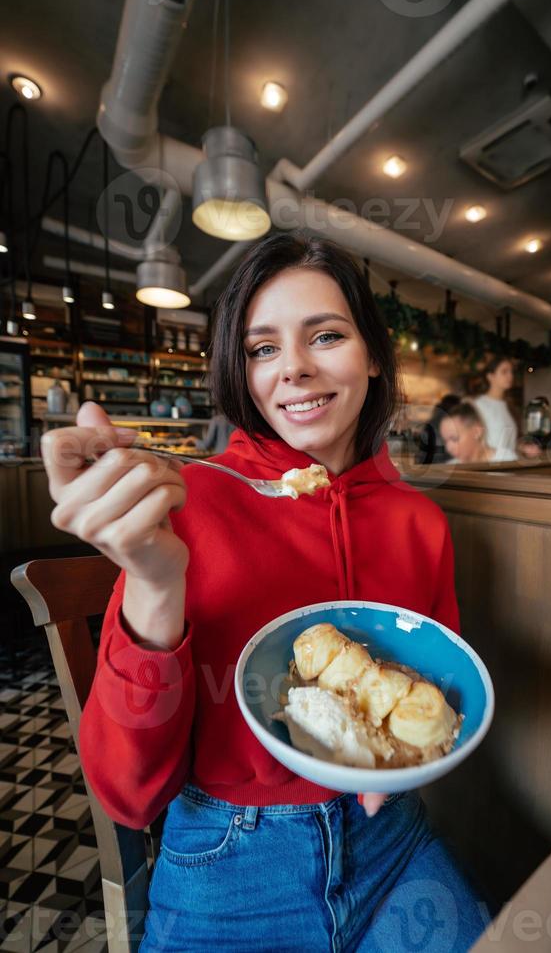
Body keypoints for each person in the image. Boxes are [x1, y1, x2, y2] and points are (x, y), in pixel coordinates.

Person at [42, 233, 487, 952]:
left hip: (390, 843)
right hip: (230, 857)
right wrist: (155, 582)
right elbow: (127, 794)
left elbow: (437, 691)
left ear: (373, 355)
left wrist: (401, 769)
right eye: (263, 349)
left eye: (327, 335)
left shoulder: (421, 522)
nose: (297, 370)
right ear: (240, 372)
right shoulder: (190, 503)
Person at [474, 357, 540, 461]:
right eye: (504, 372)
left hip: (509, 467)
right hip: (490, 470)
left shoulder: (509, 406)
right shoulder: (479, 405)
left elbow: (508, 442)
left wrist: (524, 447)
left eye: (511, 372)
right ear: (490, 376)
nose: (510, 376)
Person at [439, 402, 517, 464]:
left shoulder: (506, 460)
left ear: (477, 432)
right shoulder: (451, 467)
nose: (448, 448)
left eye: (454, 439)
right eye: (445, 441)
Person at [415, 393, 461, 465]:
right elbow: (439, 454)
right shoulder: (442, 423)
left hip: (426, 467)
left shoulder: (435, 421)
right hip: (436, 468)